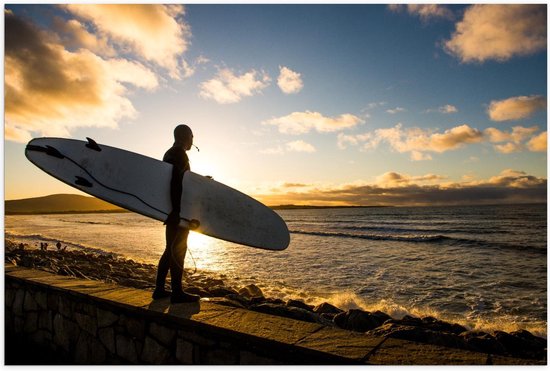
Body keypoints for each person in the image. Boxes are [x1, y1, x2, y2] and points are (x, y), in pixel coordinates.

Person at [153, 124, 200, 303]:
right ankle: (177, 292)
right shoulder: (179, 154)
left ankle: (159, 289)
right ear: (185, 136)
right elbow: (175, 183)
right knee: (178, 249)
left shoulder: (169, 153)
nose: (192, 141)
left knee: (170, 248)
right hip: (177, 210)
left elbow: (178, 181)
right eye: (192, 136)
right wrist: (177, 210)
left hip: (170, 208)